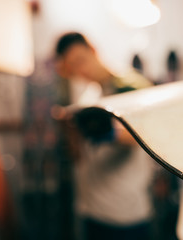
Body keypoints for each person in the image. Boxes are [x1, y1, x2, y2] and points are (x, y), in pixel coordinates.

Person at [54, 32, 156, 240]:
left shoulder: (131, 85)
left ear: (93, 50)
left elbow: (148, 133)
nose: (80, 70)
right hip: (91, 210)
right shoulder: (89, 97)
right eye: (72, 68)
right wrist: (69, 130)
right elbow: (80, 155)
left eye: (80, 61)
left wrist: (107, 133)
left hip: (125, 213)